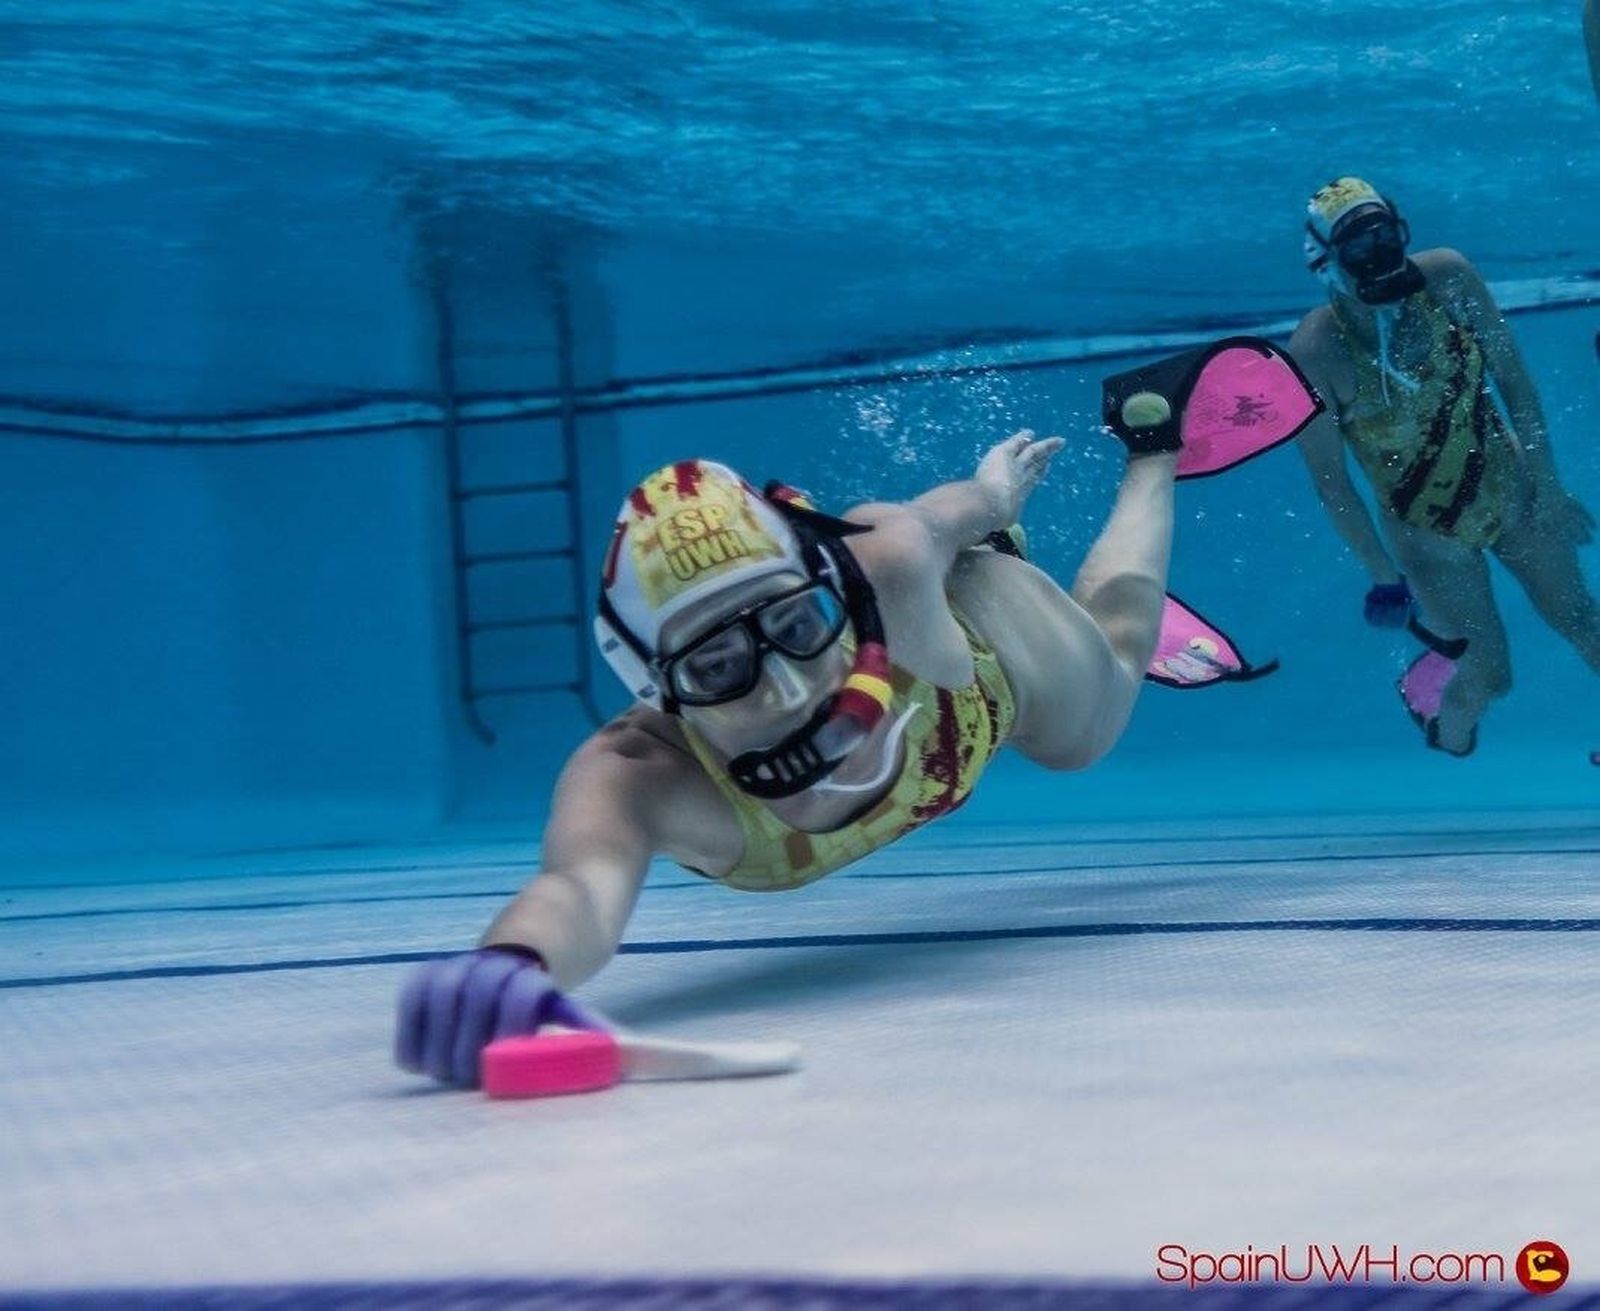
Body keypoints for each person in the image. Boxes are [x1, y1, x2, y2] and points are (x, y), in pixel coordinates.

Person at [395, 338, 1316, 1087]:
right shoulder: (638, 778)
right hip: (927, 656)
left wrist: (992, 501)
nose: (788, 687)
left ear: (828, 588)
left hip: (977, 654)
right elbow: (576, 890)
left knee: (1101, 700)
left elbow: (935, 517)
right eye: (718, 665)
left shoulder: (884, 556)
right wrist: (512, 966)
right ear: (655, 688)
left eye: (797, 623)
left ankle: (1150, 446)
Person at [1289, 177, 1599, 756]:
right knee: (1490, 677)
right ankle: (1443, 725)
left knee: (1585, 620)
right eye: (1359, 247)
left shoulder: (1449, 278)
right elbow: (1332, 486)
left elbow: (1515, 383)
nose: (1380, 255)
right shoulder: (1315, 352)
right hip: (1428, 537)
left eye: (1387, 236)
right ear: (1324, 263)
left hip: (1513, 492)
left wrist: (1549, 487)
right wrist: (1384, 577)